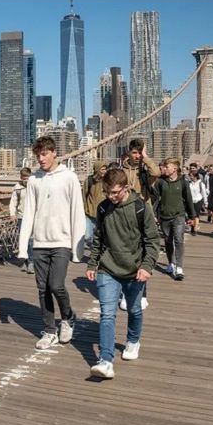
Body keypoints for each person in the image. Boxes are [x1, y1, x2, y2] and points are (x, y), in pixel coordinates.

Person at [86, 169, 160, 378]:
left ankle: (133, 341)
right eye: (107, 192)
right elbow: (98, 239)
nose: (110, 196)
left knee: (134, 310)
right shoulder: (103, 208)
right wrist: (92, 264)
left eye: (115, 192)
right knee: (107, 314)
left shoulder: (140, 207)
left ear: (126, 188)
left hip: (135, 270)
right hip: (108, 268)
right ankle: (106, 361)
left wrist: (146, 266)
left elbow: (152, 241)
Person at [18, 136, 86, 350]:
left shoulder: (69, 177)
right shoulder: (33, 180)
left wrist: (78, 249)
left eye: (45, 154)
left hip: (62, 242)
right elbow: (28, 213)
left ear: (54, 152)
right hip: (39, 243)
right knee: (42, 289)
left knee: (56, 285)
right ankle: (49, 330)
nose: (41, 158)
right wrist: (22, 248)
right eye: (38, 155)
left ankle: (67, 317)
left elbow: (77, 212)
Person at [118, 139, 160, 312]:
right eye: (134, 152)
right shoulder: (121, 170)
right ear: (128, 152)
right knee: (123, 253)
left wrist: (145, 157)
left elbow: (156, 172)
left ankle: (142, 294)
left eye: (139, 152)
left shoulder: (144, 170)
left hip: (143, 215)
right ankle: (124, 293)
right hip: (123, 215)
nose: (136, 156)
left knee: (142, 254)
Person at [153, 158, 196, 281]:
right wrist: (154, 214)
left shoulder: (183, 182)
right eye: (164, 167)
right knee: (168, 240)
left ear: (175, 169)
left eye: (167, 167)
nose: (164, 169)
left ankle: (179, 267)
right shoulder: (160, 182)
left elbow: (188, 199)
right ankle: (171, 263)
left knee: (178, 239)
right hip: (164, 216)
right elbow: (156, 199)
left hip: (179, 215)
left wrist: (192, 216)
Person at [10, 167, 34, 274]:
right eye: (24, 178)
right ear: (21, 177)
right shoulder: (17, 188)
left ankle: (31, 262)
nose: (26, 180)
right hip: (21, 216)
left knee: (31, 241)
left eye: (27, 178)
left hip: (33, 217)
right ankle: (25, 261)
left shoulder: (34, 186)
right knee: (23, 240)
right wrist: (12, 213)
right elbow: (13, 202)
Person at [82, 161, 107, 249]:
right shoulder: (89, 181)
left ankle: (96, 254)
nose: (104, 171)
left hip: (103, 214)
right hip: (90, 213)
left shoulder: (107, 181)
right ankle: (94, 249)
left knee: (102, 236)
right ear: (97, 170)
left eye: (105, 169)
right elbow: (84, 196)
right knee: (88, 236)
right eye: (102, 169)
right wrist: (84, 209)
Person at [187, 164, 208, 236]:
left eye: (191, 176)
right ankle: (192, 227)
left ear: (195, 176)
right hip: (191, 201)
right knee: (191, 216)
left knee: (196, 215)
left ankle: (195, 229)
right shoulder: (189, 184)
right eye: (190, 176)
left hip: (198, 201)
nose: (190, 177)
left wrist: (205, 202)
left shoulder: (200, 183)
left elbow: (204, 193)